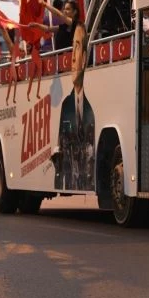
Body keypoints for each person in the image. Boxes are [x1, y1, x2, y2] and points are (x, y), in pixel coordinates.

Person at [55, 24, 95, 191]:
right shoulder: (66, 105)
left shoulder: (92, 108)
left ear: (84, 58)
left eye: (77, 49)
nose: (71, 58)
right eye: (71, 49)